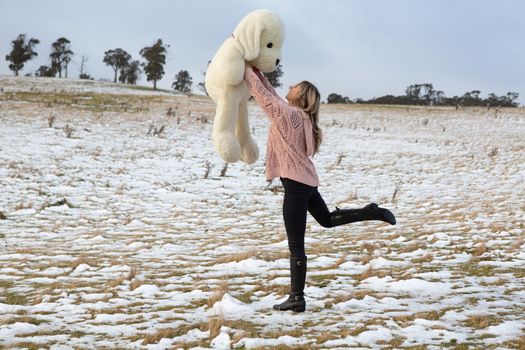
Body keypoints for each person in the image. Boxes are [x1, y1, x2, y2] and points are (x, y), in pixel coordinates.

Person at [243, 65, 396, 313]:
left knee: (296, 245)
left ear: (301, 96)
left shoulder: (288, 115)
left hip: (296, 185)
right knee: (325, 220)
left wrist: (242, 63)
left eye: (295, 86)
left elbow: (262, 94)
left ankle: (296, 297)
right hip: (306, 181)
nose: (290, 87)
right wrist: (256, 69)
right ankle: (369, 212)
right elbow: (268, 91)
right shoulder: (298, 115)